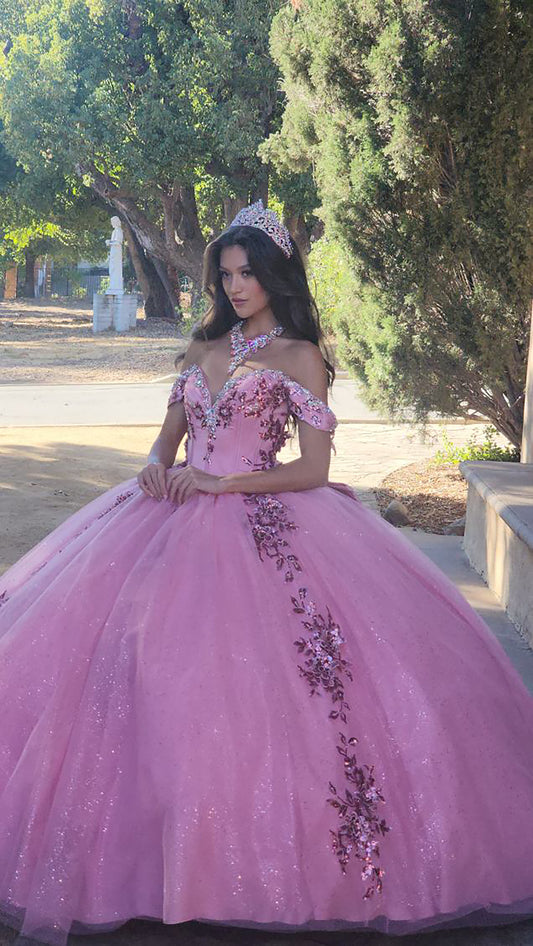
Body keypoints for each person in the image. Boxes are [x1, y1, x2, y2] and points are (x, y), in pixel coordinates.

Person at [1, 200, 533, 946]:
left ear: (275, 275)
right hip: (166, 517)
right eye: (226, 275)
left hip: (265, 518)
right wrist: (157, 470)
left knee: (280, 691)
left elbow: (312, 470)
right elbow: (164, 444)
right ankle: (147, 860)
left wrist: (223, 485)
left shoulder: (299, 356)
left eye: (248, 273)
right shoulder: (201, 346)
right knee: (142, 672)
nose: (236, 286)